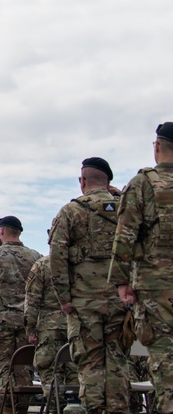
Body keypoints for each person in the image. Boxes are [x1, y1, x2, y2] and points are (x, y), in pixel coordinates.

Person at [50, 156, 129, 414]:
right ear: (109, 181)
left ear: (82, 181)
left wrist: (64, 299)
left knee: (90, 365)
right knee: (117, 361)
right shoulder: (125, 208)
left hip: (84, 305)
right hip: (121, 301)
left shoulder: (71, 211)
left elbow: (57, 260)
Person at [110, 122, 173, 414]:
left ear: (157, 147)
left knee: (164, 359)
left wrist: (122, 282)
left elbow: (125, 236)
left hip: (156, 289)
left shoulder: (142, 183)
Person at [0, 216, 41, 414]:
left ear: (2, 231)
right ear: (19, 232)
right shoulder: (36, 257)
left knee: (5, 373)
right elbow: (40, 293)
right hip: (27, 323)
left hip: (0, 325)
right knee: (24, 374)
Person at [25, 242, 75, 414]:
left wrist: (30, 330)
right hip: (75, 326)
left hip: (49, 329)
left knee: (50, 377)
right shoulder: (78, 264)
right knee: (75, 379)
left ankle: (54, 410)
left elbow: (32, 301)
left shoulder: (41, 265)